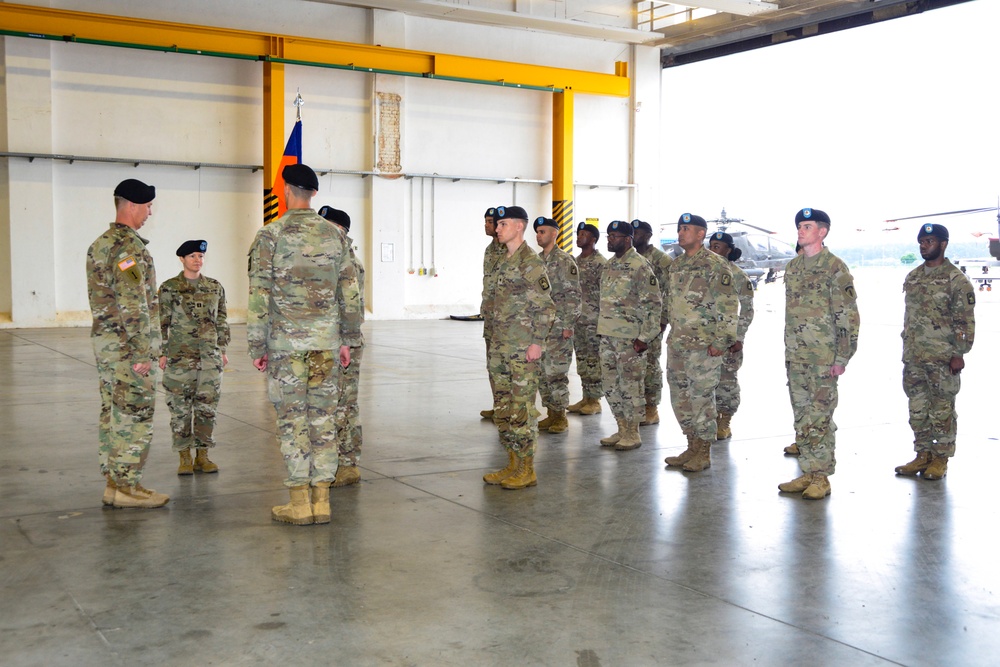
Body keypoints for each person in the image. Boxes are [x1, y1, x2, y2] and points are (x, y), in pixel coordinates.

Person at [248, 164, 362, 525]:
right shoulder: (335, 236)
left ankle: (299, 503)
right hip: (326, 345)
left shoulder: (270, 235)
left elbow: (259, 295)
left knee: (292, 421)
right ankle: (322, 501)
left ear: (286, 189)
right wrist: (348, 339)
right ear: (314, 193)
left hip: (285, 347)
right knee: (323, 420)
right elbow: (351, 296)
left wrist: (257, 345)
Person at [86, 177, 169, 508]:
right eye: (148, 206)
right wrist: (142, 353)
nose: (149, 213)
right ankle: (127, 487)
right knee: (133, 415)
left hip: (108, 348)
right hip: (127, 350)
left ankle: (114, 484)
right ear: (132, 206)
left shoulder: (101, 244)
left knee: (113, 414)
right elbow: (134, 303)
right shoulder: (128, 249)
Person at [778, 208, 860, 500]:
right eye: (800, 225)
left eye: (808, 226)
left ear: (822, 232)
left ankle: (821, 477)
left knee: (820, 417)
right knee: (802, 417)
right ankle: (807, 472)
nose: (801, 230)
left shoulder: (835, 268)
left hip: (823, 358)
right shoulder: (794, 267)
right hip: (797, 356)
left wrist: (842, 358)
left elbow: (848, 317)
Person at [482, 206, 555, 490]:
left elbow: (546, 308)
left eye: (503, 224)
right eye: (497, 224)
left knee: (522, 408)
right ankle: (512, 461)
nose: (497, 228)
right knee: (503, 407)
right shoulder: (503, 260)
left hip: (522, 348)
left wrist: (537, 342)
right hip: (499, 345)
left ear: (518, 227)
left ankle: (527, 468)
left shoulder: (531, 263)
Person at [895, 223, 975, 481]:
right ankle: (922, 454)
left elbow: (965, 321)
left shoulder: (956, 280)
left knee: (942, 409)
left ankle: (940, 458)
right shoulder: (914, 277)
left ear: (943, 244)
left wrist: (959, 353)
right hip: (915, 356)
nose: (924, 246)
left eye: (929, 241)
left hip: (943, 358)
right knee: (917, 408)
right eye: (921, 241)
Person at [662, 214, 737, 472]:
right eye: (679, 228)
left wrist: (722, 340)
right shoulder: (676, 265)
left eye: (686, 229)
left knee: (702, 398)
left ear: (701, 234)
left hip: (704, 346)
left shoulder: (715, 265)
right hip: (679, 344)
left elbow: (728, 306)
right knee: (680, 398)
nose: (681, 233)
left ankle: (704, 452)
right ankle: (691, 444)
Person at [158, 240, 230, 476]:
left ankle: (203, 455)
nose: (197, 260)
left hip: (209, 359)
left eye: (200, 256)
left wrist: (223, 349)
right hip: (179, 358)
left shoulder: (214, 287)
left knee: (207, 409)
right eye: (192, 256)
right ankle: (184, 457)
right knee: (180, 410)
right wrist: (161, 352)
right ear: (181, 259)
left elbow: (221, 320)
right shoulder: (169, 288)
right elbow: (161, 322)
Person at [597, 220, 661, 451]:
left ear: (627, 239)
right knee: (610, 386)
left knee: (630, 387)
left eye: (614, 236)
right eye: (608, 236)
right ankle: (621, 427)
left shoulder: (640, 266)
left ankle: (632, 432)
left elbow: (653, 304)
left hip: (629, 340)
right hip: (607, 336)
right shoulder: (609, 265)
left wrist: (644, 337)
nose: (610, 239)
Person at [318, 205, 366, 487]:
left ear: (340, 232)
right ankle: (329, 460)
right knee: (326, 404)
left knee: (345, 404)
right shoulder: (326, 259)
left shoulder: (349, 263)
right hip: (325, 342)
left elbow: (349, 309)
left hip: (345, 342)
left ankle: (348, 464)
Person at [533, 216, 581, 434]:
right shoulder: (535, 261)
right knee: (542, 372)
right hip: (540, 327)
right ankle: (550, 412)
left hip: (559, 325)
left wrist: (568, 324)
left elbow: (573, 295)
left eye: (543, 231)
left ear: (554, 234)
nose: (539, 235)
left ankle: (560, 415)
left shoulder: (564, 261)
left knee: (556, 372)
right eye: (537, 231)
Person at [707, 232, 755, 440]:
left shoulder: (738, 276)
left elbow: (746, 309)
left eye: (717, 246)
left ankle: (724, 420)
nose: (711, 250)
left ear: (728, 250)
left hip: (728, 339)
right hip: (705, 338)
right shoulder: (705, 273)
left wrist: (738, 337)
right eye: (710, 246)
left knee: (726, 382)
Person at [631, 219, 672, 426]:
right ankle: (636, 407)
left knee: (650, 365)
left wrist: (663, 319)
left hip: (652, 322)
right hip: (629, 322)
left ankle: (651, 408)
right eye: (632, 232)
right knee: (632, 366)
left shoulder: (661, 260)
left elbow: (669, 292)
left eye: (638, 232)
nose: (634, 235)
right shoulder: (628, 258)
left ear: (648, 235)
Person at [567, 222, 607, 416]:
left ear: (593, 239)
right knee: (582, 360)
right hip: (578, 320)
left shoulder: (601, 263)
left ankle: (595, 400)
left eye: (584, 234)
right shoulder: (575, 262)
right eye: (578, 233)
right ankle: (586, 396)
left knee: (594, 360)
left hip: (594, 320)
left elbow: (606, 293)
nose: (579, 236)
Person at [480, 207, 506, 419]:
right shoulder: (490, 250)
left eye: (490, 221)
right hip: (491, 317)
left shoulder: (511, 250)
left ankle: (511, 409)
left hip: (508, 319)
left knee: (509, 365)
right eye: (486, 221)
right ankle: (498, 405)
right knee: (493, 364)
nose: (486, 225)